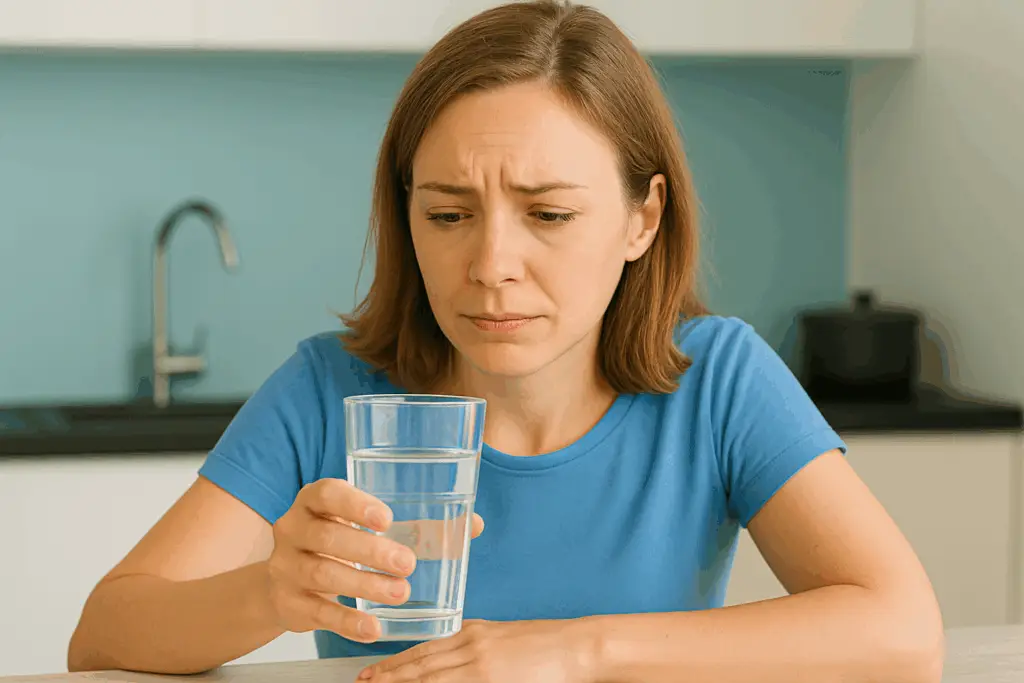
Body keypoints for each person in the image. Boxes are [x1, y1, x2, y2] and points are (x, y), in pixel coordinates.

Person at [68, 2, 945, 682]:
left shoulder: (718, 379)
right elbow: (104, 633)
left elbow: (902, 634)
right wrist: (269, 593)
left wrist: (573, 653)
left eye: (549, 215)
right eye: (447, 214)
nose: (490, 265)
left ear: (643, 218)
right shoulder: (328, 390)